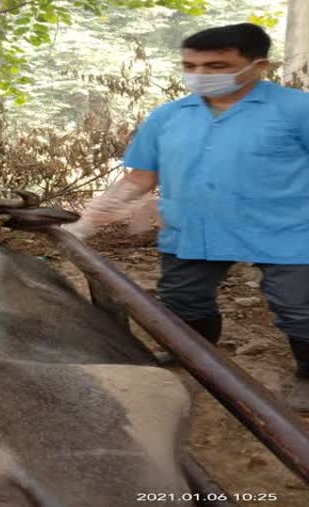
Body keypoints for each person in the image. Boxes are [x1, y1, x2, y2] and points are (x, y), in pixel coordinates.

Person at [63, 23, 309, 412]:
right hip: (194, 228)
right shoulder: (169, 117)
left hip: (285, 230)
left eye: (216, 65)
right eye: (190, 65)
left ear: (259, 65)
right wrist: (90, 221)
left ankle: (307, 374)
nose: (199, 75)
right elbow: (141, 177)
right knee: (183, 301)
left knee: (299, 308)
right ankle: (195, 358)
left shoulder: (298, 110)